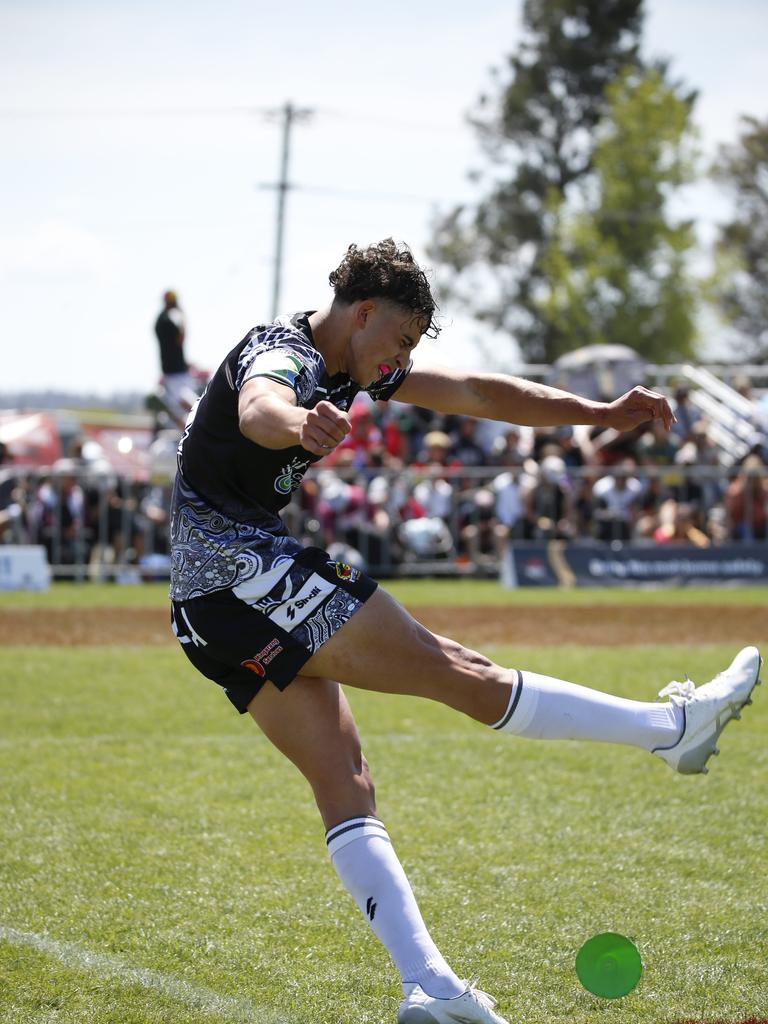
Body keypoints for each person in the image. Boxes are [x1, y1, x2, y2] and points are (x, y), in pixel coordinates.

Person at [168, 239, 761, 1024]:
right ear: (365, 311)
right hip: (240, 574)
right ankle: (671, 730)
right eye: (403, 341)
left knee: (345, 777)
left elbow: (480, 392)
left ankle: (430, 989)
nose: (402, 361)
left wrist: (597, 413)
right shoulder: (282, 351)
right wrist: (297, 424)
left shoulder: (355, 367)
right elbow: (258, 406)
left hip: (205, 608)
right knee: (457, 670)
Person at [154, 289, 197, 428]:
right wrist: (183, 316)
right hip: (176, 372)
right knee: (192, 406)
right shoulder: (167, 321)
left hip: (171, 371)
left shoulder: (160, 320)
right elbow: (181, 339)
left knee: (180, 409)